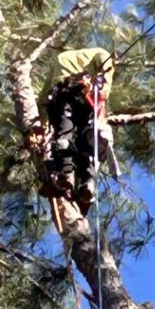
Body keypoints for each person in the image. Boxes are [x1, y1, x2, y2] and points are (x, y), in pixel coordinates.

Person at [39, 47, 114, 215]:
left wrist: (39, 126)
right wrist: (102, 88)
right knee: (87, 137)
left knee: (64, 134)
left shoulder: (59, 59)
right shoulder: (97, 51)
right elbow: (105, 60)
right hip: (83, 97)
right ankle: (87, 181)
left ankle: (67, 174)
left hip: (61, 97)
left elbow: (43, 97)